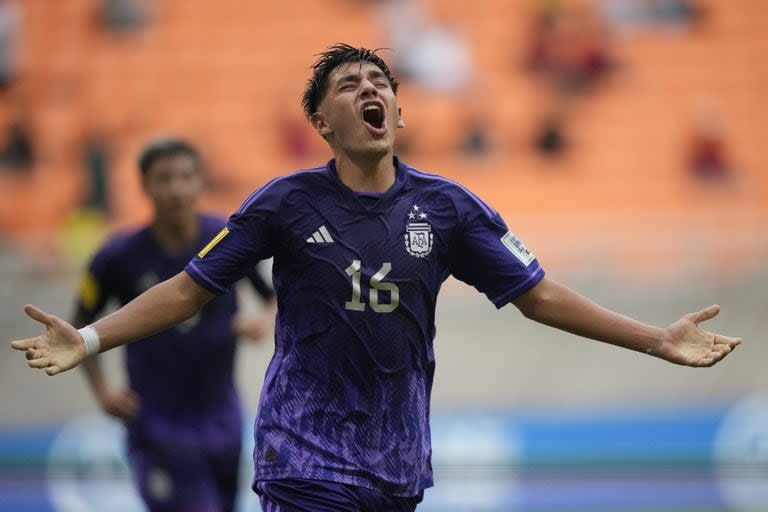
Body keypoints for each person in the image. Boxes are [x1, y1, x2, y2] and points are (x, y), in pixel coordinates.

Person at [11, 44, 742, 511]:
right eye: (350, 83)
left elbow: (539, 296)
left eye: (381, 82)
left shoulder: (450, 209)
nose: (372, 89)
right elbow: (187, 289)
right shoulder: (284, 204)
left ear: (397, 108)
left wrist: (655, 338)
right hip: (302, 452)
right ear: (323, 123)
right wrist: (92, 336)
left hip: (397, 461)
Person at [73, 138, 275, 512]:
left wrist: (262, 322)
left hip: (222, 423)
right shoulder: (117, 257)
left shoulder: (225, 240)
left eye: (185, 177)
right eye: (164, 178)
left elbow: (272, 296)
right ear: (144, 185)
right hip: (156, 425)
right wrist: (103, 392)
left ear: (201, 182)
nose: (176, 188)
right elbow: (80, 326)